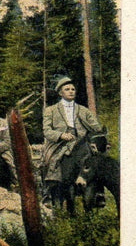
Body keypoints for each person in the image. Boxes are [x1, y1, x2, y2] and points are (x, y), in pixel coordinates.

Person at [42, 76, 103, 204]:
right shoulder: (50, 110)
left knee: (96, 158)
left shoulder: (83, 110)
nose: (71, 91)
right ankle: (49, 191)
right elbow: (47, 131)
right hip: (59, 143)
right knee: (50, 159)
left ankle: (99, 192)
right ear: (60, 93)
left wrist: (94, 130)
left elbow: (96, 128)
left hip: (81, 141)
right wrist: (61, 135)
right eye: (67, 89)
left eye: (73, 89)